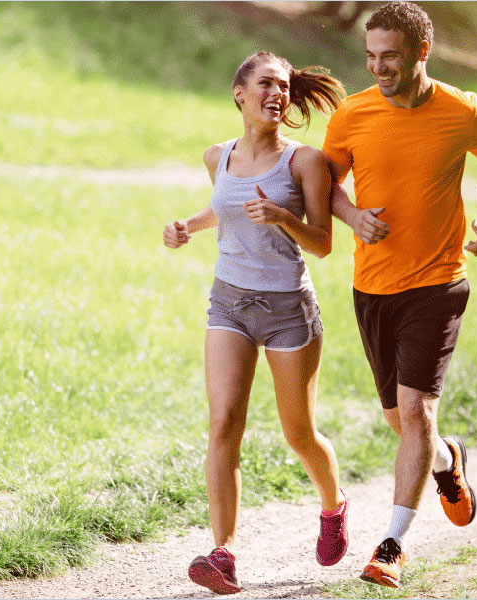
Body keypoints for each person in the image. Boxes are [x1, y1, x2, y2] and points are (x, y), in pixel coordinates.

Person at [322, 1, 477, 589]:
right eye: (371, 56)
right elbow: (324, 186)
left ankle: (392, 544)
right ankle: (447, 463)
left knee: (414, 410)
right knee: (398, 420)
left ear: (420, 53)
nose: (378, 67)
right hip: (372, 284)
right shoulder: (352, 115)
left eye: (390, 57)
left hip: (438, 281)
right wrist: (352, 214)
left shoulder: (463, 110)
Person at [163, 51, 349, 595]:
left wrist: (284, 217)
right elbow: (226, 206)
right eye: (267, 83)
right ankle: (223, 553)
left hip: (289, 309)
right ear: (239, 92)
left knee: (300, 434)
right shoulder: (216, 156)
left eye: (285, 86)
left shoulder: (304, 162)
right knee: (224, 425)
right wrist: (187, 226)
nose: (278, 93)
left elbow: (323, 244)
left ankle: (334, 504)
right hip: (229, 303)